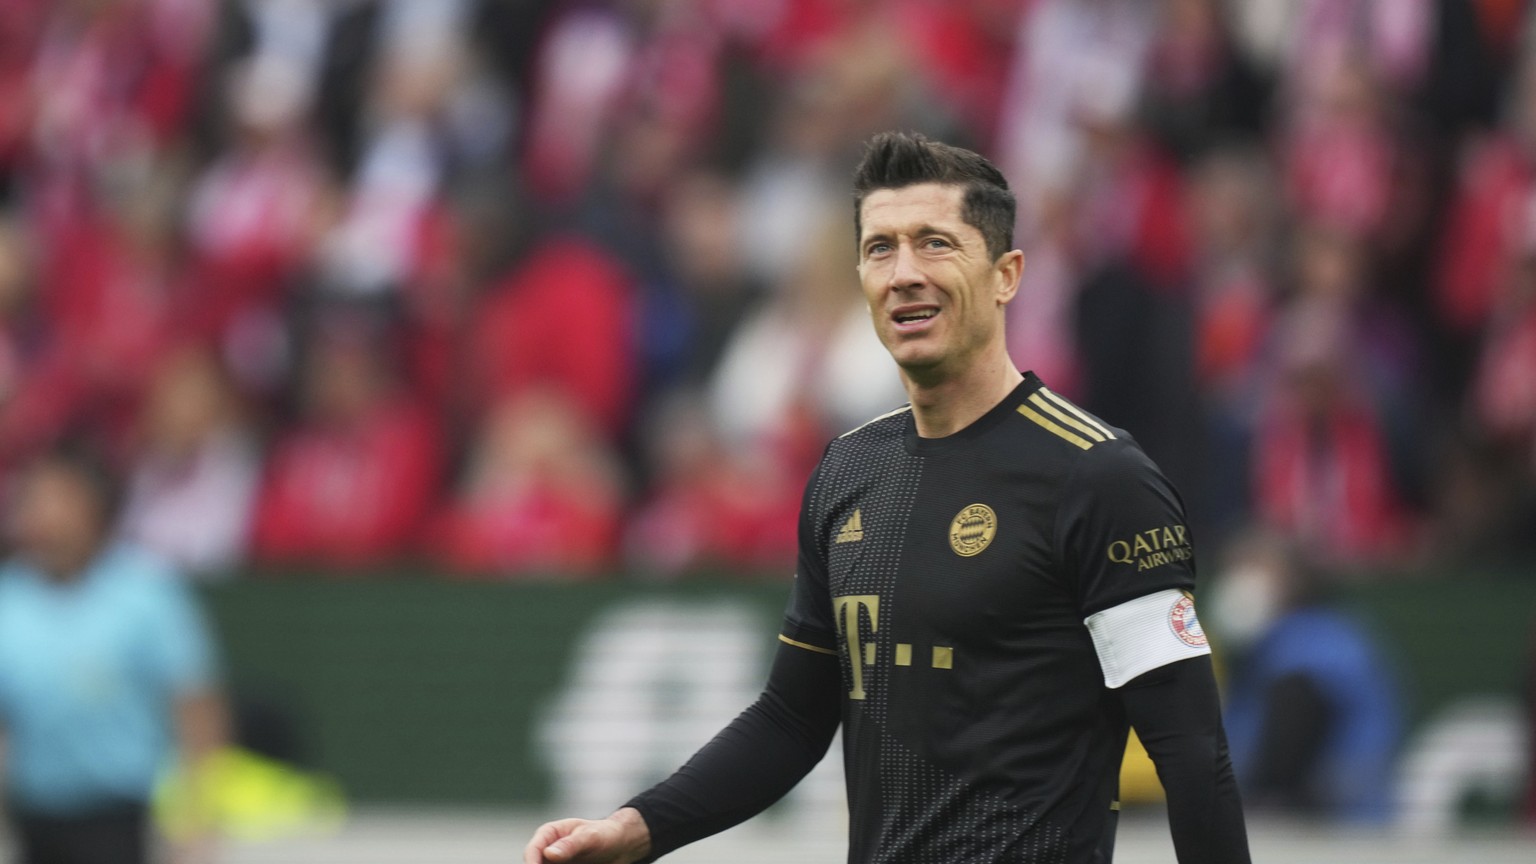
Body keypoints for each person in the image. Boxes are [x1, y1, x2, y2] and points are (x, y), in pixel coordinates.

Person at [524, 132, 1250, 864]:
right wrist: (636, 828)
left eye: (935, 244)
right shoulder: (848, 472)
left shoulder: (1097, 477)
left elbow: (1192, 754)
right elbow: (792, 718)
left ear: (1006, 275)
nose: (904, 273)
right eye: (880, 248)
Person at [0, 445, 227, 864]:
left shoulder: (148, 592)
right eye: (29, 498)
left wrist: (198, 816)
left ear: (93, 508)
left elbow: (194, 706)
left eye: (53, 497)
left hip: (120, 819)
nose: (35, 512)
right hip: (36, 819)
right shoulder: (9, 598)